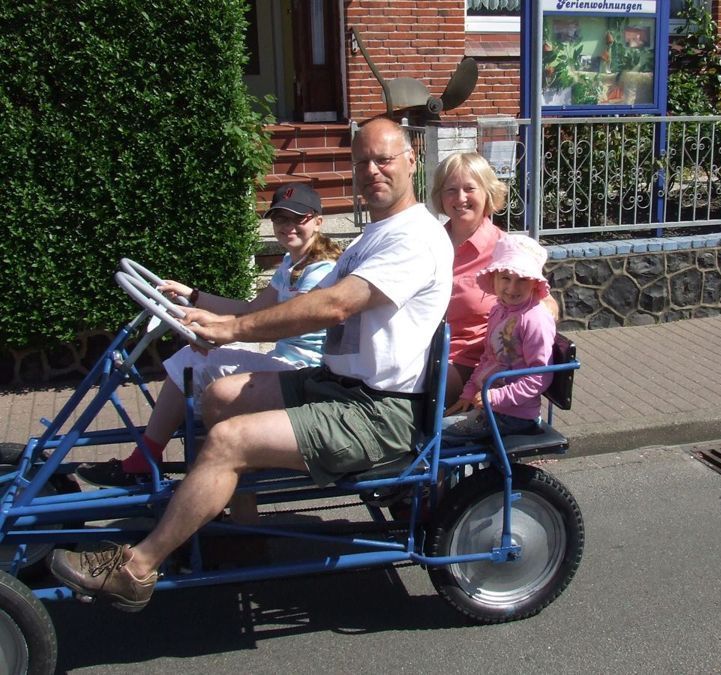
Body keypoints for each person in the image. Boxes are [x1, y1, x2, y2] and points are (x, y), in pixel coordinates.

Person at [49, 117, 454, 611]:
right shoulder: (374, 235)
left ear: (411, 160)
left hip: (379, 411)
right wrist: (208, 313)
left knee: (228, 440)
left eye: (383, 159)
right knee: (219, 395)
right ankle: (241, 532)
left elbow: (335, 306)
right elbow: (286, 306)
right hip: (337, 385)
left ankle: (136, 570)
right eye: (362, 162)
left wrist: (233, 329)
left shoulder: (414, 237)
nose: (372, 170)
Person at [75, 183, 341, 487]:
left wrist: (220, 329)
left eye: (298, 218)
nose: (288, 226)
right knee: (194, 366)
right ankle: (188, 472)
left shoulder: (320, 271)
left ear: (318, 221)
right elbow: (252, 309)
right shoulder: (291, 263)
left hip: (305, 372)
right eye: (280, 218)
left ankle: (146, 463)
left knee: (192, 364)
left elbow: (282, 324)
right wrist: (193, 295)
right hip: (285, 362)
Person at [430, 152, 558, 407]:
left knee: (418, 388)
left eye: (469, 189)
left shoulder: (507, 251)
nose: (460, 198)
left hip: (472, 364)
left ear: (487, 193)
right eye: (451, 190)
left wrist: (536, 313)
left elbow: (545, 303)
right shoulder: (429, 242)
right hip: (425, 351)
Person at [443, 235, 556, 441]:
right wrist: (469, 392)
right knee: (433, 422)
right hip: (490, 403)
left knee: (438, 434)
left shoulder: (535, 319)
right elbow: (488, 358)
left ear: (534, 283)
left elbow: (540, 376)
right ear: (494, 278)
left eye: (522, 279)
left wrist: (495, 396)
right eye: (505, 278)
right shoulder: (498, 310)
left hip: (514, 416)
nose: (512, 288)